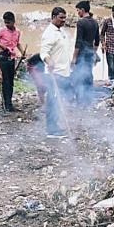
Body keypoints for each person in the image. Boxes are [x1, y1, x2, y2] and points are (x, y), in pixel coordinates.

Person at [40, 7, 72, 138]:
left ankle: (56, 125)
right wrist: (49, 61)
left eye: (65, 18)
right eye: (61, 18)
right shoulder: (49, 33)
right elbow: (44, 52)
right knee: (52, 101)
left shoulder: (61, 31)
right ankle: (51, 130)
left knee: (59, 101)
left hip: (64, 73)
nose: (64, 20)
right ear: (53, 17)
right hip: (54, 74)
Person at [72, 0, 100, 105]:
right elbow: (97, 41)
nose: (77, 13)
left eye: (78, 10)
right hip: (89, 54)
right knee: (88, 75)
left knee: (79, 76)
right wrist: (93, 52)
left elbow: (78, 42)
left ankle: (80, 101)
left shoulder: (81, 22)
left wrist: (74, 58)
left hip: (81, 55)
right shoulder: (95, 22)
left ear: (83, 10)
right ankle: (88, 100)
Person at [0, 11, 24, 112]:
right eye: (5, 22)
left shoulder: (17, 32)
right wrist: (3, 46)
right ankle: (5, 103)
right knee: (4, 82)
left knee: (10, 82)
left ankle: (9, 103)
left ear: (13, 21)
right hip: (3, 58)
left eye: (9, 22)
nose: (7, 24)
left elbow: (18, 44)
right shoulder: (2, 31)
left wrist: (22, 52)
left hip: (12, 59)